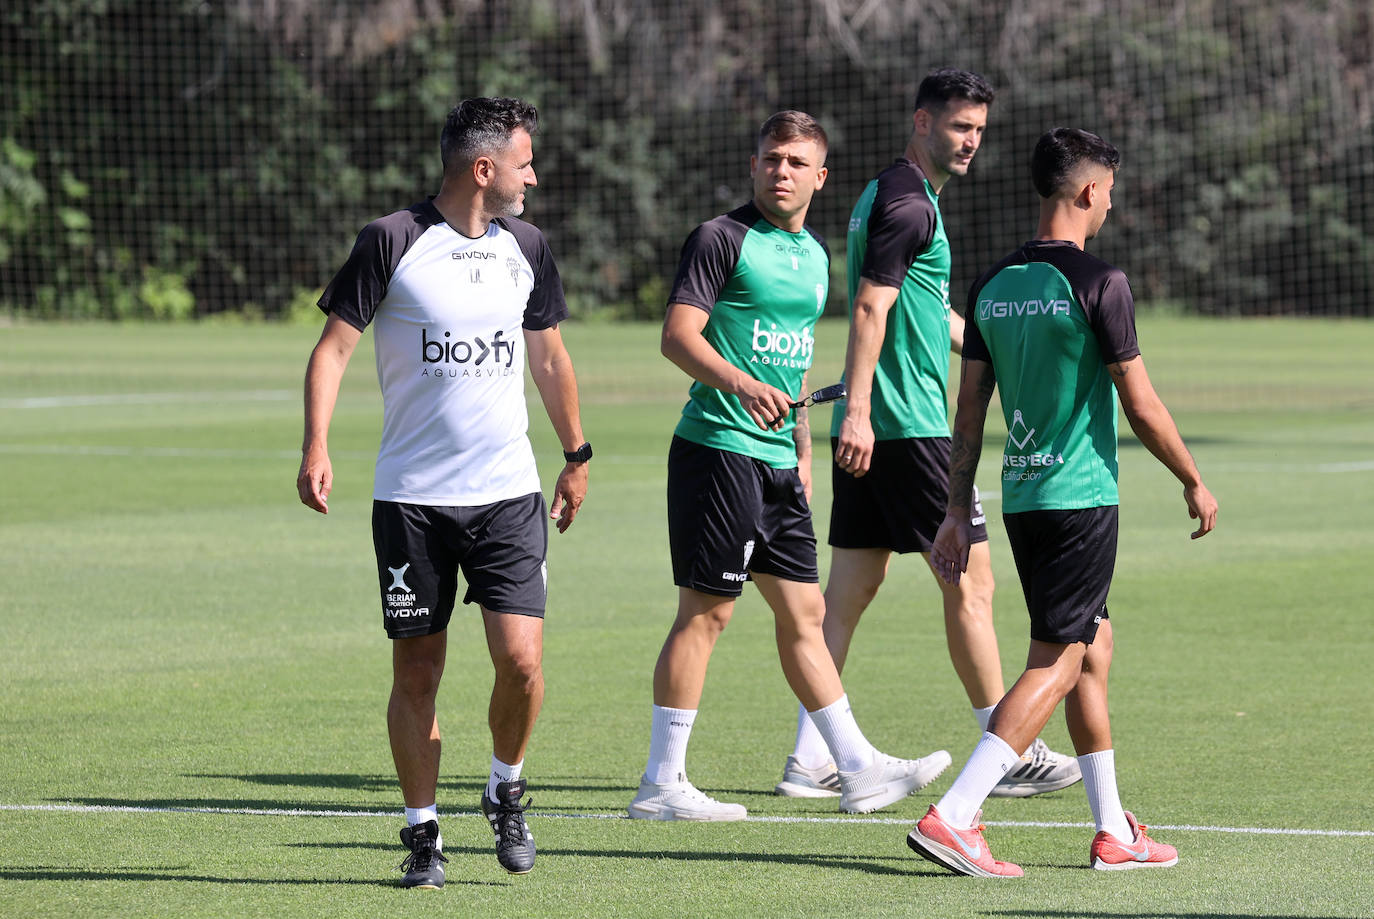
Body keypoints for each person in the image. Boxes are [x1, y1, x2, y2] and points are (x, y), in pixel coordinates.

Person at [905, 127, 1218, 877]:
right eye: (1107, 189)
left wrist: (955, 507)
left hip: (1022, 499)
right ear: (1086, 191)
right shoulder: (1099, 281)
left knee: (1092, 648)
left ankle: (1114, 830)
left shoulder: (992, 282)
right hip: (1080, 498)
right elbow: (1139, 404)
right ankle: (955, 814)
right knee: (1058, 656)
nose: (1109, 201)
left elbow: (970, 411)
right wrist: (1192, 477)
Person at [296, 97, 591, 889]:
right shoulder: (391, 240)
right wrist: (316, 444)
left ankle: (506, 784)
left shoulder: (526, 244)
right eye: (525, 162)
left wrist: (577, 452)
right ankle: (423, 834)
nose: (534, 176)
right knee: (417, 674)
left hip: (507, 496)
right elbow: (331, 352)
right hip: (411, 501)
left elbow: (552, 359)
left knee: (522, 663)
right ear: (483, 168)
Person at [627, 110, 950, 823]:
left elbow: (795, 354)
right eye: (772, 158)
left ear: (820, 177)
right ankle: (661, 782)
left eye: (798, 163)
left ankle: (855, 766)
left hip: (777, 463)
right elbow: (677, 337)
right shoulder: (721, 238)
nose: (783, 172)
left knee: (807, 614)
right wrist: (740, 384)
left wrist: (802, 449)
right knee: (707, 612)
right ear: (753, 163)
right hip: (718, 450)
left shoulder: (814, 258)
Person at [778, 68, 1080, 803]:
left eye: (978, 128)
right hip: (906, 429)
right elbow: (872, 310)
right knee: (973, 582)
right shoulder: (912, 206)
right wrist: (856, 410)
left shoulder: (889, 194)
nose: (971, 140)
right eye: (958, 127)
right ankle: (1007, 749)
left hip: (878, 427)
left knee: (847, 594)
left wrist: (994, 353)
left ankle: (810, 757)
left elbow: (922, 311)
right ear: (921, 122)